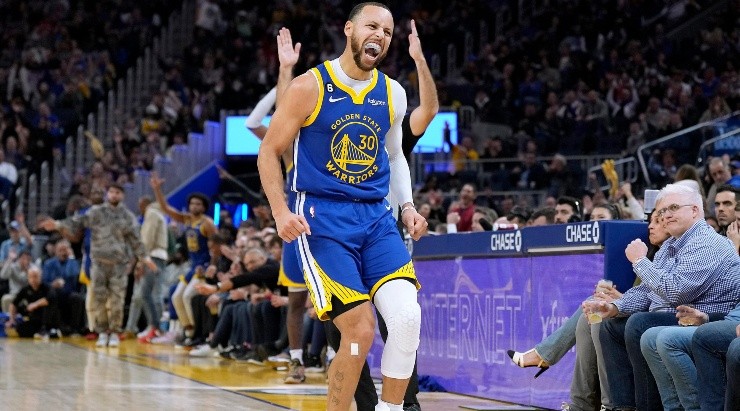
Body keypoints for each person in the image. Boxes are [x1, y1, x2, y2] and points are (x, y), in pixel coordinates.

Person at [256, 3, 427, 410]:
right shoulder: (309, 87)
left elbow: (396, 156)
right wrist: (280, 211)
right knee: (360, 331)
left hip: (376, 219)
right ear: (349, 29)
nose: (380, 36)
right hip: (321, 219)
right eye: (372, 26)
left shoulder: (392, 93)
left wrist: (407, 206)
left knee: (406, 320)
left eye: (387, 32)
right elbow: (269, 151)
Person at [585, 184, 740, 411]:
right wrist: (615, 307)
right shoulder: (670, 244)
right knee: (610, 325)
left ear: (695, 211)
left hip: (709, 315)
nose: (666, 215)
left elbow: (677, 292)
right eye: (663, 210)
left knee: (640, 324)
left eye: (674, 208)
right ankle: (621, 406)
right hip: (679, 313)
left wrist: (639, 261)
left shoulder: (707, 243)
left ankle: (650, 406)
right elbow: (648, 291)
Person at [38, 184, 156, 348]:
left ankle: (114, 332)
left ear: (122, 196)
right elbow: (76, 222)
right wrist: (58, 224)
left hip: (118, 265)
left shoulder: (128, 217)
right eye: (112, 192)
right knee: (98, 300)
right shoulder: (96, 212)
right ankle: (102, 332)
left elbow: (136, 240)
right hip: (98, 263)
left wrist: (144, 257)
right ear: (108, 194)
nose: (114, 195)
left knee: (117, 300)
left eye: (118, 193)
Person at [150, 175, 216, 346]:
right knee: (176, 296)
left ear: (204, 207)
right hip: (192, 266)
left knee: (187, 296)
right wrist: (157, 189)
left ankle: (196, 334)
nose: (194, 206)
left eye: (198, 204)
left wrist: (212, 266)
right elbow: (165, 208)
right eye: (192, 203)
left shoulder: (207, 223)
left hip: (203, 265)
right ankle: (188, 331)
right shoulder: (187, 219)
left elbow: (215, 247)